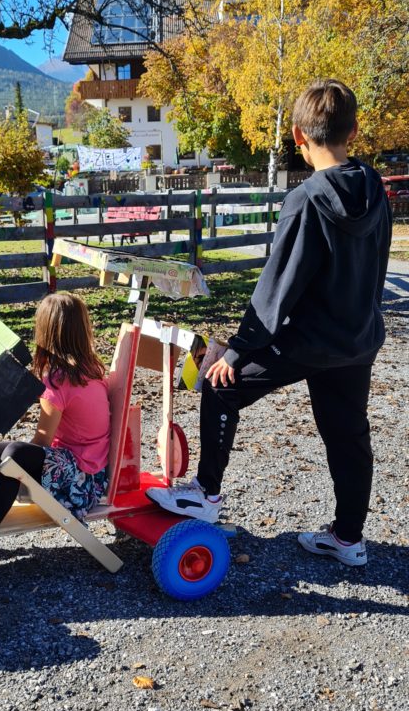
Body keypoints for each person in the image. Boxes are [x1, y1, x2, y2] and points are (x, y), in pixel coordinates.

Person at [147, 79, 392, 567]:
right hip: (358, 340)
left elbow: (277, 288)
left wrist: (235, 352)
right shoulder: (377, 189)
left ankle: (206, 495)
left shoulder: (307, 198)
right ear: (355, 131)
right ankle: (349, 539)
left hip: (309, 340)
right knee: (348, 435)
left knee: (221, 386)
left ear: (298, 136)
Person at [0, 293, 110, 569]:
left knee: (13, 454)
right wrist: (8, 464)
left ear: (47, 332)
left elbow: (42, 440)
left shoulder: (58, 380)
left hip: (81, 482)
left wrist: (10, 467)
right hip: (88, 473)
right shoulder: (90, 368)